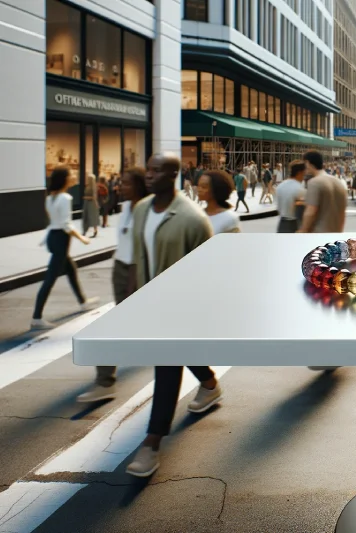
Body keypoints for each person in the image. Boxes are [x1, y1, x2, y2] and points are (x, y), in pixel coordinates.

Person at [125, 154, 221, 478]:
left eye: (157, 171)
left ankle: (152, 443)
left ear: (174, 175)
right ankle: (209, 382)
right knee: (176, 354)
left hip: (181, 307)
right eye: (148, 169)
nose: (148, 175)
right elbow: (137, 257)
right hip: (150, 303)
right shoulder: (140, 210)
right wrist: (128, 302)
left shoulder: (193, 219)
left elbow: (209, 271)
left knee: (166, 364)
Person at [77, 167, 148, 402]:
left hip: (137, 273)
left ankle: (105, 382)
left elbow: (143, 247)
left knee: (109, 328)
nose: (121, 187)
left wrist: (132, 281)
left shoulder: (147, 209)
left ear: (138, 185)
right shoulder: (126, 207)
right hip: (121, 268)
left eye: (127, 183)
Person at [31, 167, 99, 330]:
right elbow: (66, 224)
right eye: (71, 174)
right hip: (61, 238)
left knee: (71, 269)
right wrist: (82, 238)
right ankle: (36, 317)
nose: (74, 176)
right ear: (65, 179)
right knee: (50, 279)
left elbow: (54, 221)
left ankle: (83, 302)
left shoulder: (50, 198)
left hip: (52, 237)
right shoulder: (65, 198)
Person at [297, 151, 347, 233]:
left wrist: (303, 230)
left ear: (308, 163)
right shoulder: (338, 182)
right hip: (336, 233)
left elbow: (311, 211)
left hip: (319, 234)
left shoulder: (314, 182)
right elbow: (342, 213)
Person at [198, 169, 241, 234]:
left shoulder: (230, 218)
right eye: (198, 186)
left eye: (204, 187)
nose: (199, 189)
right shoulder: (198, 215)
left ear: (216, 189)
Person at [276, 160, 307, 233]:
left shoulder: (280, 186)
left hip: (281, 223)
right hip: (294, 224)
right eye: (304, 173)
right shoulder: (299, 188)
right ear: (300, 172)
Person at [82, 173, 100, 238]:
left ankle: (95, 231)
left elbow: (94, 197)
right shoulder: (87, 186)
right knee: (86, 216)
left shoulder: (93, 187)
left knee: (93, 217)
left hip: (91, 203)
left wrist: (96, 204)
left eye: (88, 178)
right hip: (86, 203)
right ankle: (85, 230)